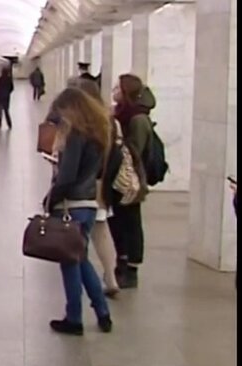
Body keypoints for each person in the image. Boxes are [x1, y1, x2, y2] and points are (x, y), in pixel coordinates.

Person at [43, 87, 113, 335]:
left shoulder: (75, 135)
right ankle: (103, 312)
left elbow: (68, 176)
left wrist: (50, 199)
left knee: (70, 263)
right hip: (89, 204)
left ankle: (74, 318)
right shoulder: (98, 132)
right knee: (80, 259)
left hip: (71, 206)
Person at [69, 78, 121, 297]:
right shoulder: (110, 120)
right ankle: (111, 277)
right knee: (102, 229)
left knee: (80, 235)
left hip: (87, 185)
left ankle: (89, 280)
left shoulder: (84, 123)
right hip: (103, 183)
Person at [109, 74, 156, 289]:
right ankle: (121, 261)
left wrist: (118, 140)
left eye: (118, 87)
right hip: (117, 177)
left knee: (131, 223)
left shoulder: (137, 119)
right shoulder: (122, 114)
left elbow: (135, 152)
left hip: (131, 179)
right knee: (117, 221)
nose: (114, 91)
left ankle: (131, 268)